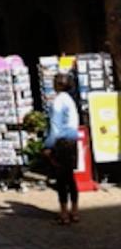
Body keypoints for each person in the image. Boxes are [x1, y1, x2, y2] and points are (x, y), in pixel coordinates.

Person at [43, 73, 80, 225]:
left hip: (61, 143)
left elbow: (55, 126)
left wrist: (48, 146)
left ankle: (64, 212)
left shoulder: (58, 101)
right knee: (70, 178)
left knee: (61, 179)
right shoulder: (71, 100)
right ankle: (75, 211)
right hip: (72, 141)